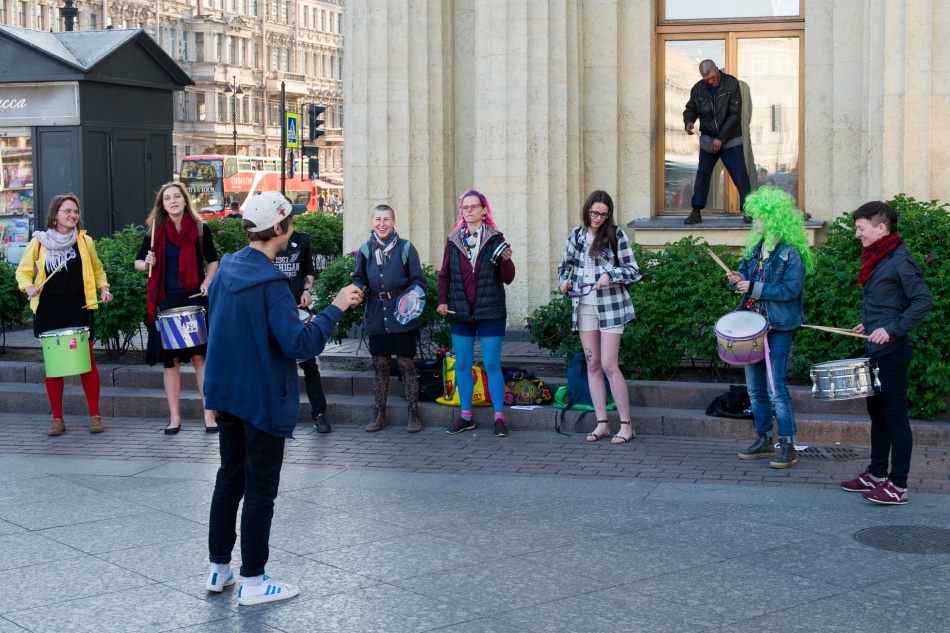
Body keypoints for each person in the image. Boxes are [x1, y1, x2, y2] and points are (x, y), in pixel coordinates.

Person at [203, 191, 362, 606]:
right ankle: (253, 582)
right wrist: (336, 307)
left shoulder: (227, 269)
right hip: (261, 397)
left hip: (227, 393)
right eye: (289, 221)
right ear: (278, 229)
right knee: (259, 491)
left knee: (229, 478)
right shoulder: (272, 282)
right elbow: (297, 343)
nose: (292, 229)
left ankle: (219, 570)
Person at [840, 201, 932, 505]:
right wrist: (870, 323)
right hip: (875, 348)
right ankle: (877, 474)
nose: (857, 234)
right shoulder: (881, 259)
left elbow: (922, 302)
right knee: (877, 416)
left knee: (895, 418)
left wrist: (890, 329)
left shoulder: (900, 262)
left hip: (894, 352)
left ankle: (898, 485)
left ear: (881, 229)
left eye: (861, 228)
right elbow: (889, 303)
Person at [726, 187, 813, 468]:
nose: (754, 221)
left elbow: (791, 289)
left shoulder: (791, 254)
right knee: (755, 390)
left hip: (778, 327)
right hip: (751, 328)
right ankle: (764, 438)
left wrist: (752, 286)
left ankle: (787, 444)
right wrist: (735, 278)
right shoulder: (754, 249)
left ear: (774, 218)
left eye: (758, 216)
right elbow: (742, 280)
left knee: (777, 389)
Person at [16, 194, 113, 436]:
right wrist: (28, 286)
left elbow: (97, 268)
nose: (72, 215)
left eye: (75, 211)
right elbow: (23, 272)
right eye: (67, 211)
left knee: (87, 363)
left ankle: (95, 415)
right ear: (55, 215)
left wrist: (104, 288)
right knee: (54, 367)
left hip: (79, 307)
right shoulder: (39, 242)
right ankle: (57, 419)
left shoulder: (84, 241)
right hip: (49, 310)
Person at [557, 190, 642, 444]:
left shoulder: (616, 235)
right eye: (595, 213)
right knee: (592, 364)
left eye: (604, 215)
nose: (598, 218)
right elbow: (565, 267)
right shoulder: (576, 235)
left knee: (608, 364)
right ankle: (601, 422)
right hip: (583, 305)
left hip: (611, 307)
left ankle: (627, 425)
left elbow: (633, 271)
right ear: (587, 210)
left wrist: (611, 275)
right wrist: (565, 282)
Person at [135, 182, 219, 434]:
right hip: (166, 299)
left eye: (176, 197)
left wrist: (207, 282)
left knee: (199, 358)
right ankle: (175, 417)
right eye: (167, 198)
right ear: (162, 204)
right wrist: (146, 261)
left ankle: (209, 415)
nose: (172, 201)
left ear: (185, 200)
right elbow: (139, 263)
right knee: (170, 361)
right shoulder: (155, 231)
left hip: (194, 298)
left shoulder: (201, 229)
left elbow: (213, 260)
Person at [437, 190, 515, 437]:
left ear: (484, 210)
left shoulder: (495, 239)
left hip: (491, 311)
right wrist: (441, 301)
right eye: (465, 208)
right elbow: (444, 276)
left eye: (474, 207)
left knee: (492, 364)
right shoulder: (453, 241)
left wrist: (506, 261)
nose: (469, 211)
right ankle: (466, 416)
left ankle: (499, 418)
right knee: (463, 364)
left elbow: (508, 278)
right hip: (459, 311)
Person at [351, 204, 428, 433]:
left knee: (406, 364)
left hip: (402, 316)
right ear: (372, 221)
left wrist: (410, 299)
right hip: (376, 314)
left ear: (393, 222)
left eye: (386, 219)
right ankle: (379, 414)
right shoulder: (366, 250)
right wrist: (355, 290)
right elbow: (359, 278)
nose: (382, 224)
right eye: (378, 219)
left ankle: (413, 413)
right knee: (381, 365)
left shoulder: (406, 248)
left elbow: (419, 281)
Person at [683, 59, 753, 225]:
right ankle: (696, 211)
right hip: (708, 139)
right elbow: (690, 108)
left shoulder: (731, 83)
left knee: (740, 175)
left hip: (730, 139)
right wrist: (688, 120)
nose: (710, 81)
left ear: (716, 71)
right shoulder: (698, 88)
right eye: (706, 79)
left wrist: (720, 138)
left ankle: (749, 211)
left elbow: (735, 115)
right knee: (702, 175)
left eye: (712, 78)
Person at [274, 227, 330, 433]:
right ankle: (278, 413)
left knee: (309, 363)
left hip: (298, 310)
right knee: (276, 365)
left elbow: (309, 269)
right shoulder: (266, 239)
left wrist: (307, 289)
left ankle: (319, 414)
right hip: (274, 312)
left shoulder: (302, 240)